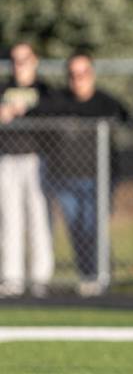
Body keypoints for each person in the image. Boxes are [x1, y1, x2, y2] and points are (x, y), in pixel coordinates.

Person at [34, 52, 129, 297]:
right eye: (73, 74)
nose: (79, 79)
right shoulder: (58, 101)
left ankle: (102, 274)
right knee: (76, 228)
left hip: (97, 178)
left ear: (92, 74)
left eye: (83, 73)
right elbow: (36, 115)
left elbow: (126, 118)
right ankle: (88, 276)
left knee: (93, 226)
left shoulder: (105, 102)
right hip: (65, 177)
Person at [0, 42, 55, 298]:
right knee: (9, 220)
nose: (18, 65)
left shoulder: (43, 90)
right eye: (15, 60)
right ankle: (12, 277)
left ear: (34, 60)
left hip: (36, 159)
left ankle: (40, 277)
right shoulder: (4, 88)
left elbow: (55, 112)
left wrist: (28, 110)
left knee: (38, 218)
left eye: (24, 59)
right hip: (8, 158)